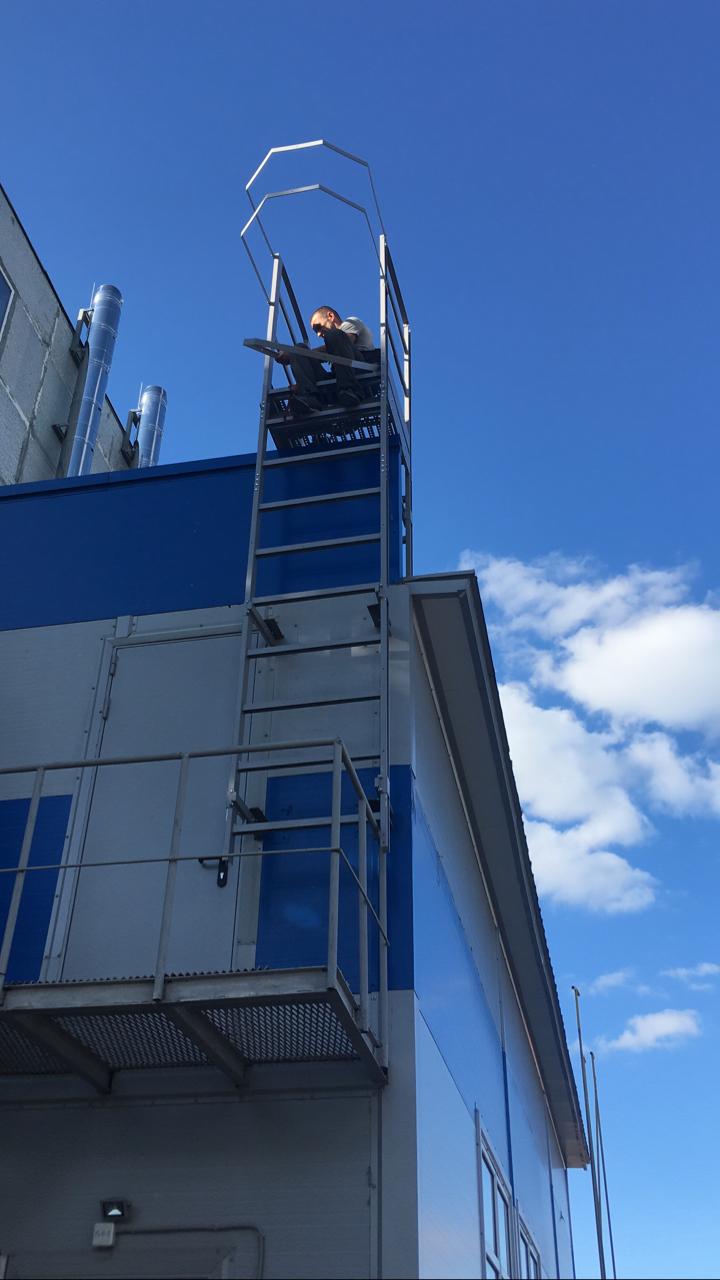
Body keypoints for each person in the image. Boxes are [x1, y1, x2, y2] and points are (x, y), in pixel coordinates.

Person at [276, 306, 378, 415]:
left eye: (318, 327)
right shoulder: (334, 344)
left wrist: (298, 353)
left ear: (330, 316)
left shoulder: (351, 323)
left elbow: (345, 340)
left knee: (333, 335)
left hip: (361, 376)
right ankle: (309, 396)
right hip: (339, 382)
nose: (319, 334)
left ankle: (350, 389)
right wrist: (301, 380)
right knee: (299, 348)